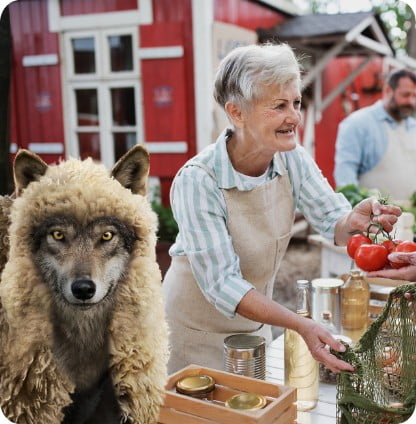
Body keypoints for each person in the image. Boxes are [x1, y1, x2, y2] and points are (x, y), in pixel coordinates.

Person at [162, 43, 401, 375]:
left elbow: (332, 218)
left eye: (296, 102)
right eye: (278, 106)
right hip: (192, 340)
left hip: (255, 328)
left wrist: (354, 219)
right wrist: (299, 324)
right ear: (236, 113)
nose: (294, 117)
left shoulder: (291, 158)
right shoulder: (198, 180)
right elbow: (223, 285)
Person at [334, 68, 416, 201]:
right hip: (373, 218)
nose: (411, 102)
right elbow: (345, 181)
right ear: (388, 91)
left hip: (411, 217)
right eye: (406, 95)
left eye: (415, 96)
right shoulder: (357, 124)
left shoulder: (414, 127)